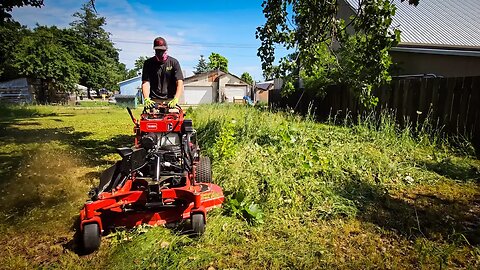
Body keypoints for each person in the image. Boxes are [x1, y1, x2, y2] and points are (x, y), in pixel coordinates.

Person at [141, 37, 184, 108]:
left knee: (173, 118)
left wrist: (176, 98)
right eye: (158, 50)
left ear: (166, 49)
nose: (160, 53)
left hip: (170, 100)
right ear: (155, 50)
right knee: (151, 118)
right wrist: (146, 98)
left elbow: (179, 82)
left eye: (162, 50)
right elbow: (145, 82)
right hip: (154, 101)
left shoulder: (173, 63)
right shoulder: (148, 63)